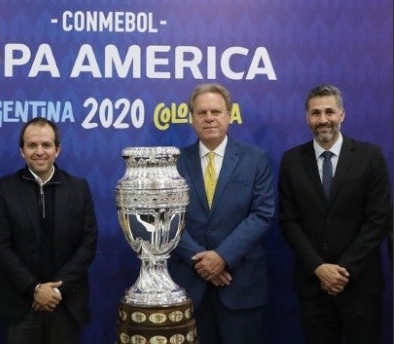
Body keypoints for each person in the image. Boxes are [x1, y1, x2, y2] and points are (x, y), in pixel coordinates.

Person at [278, 84, 391, 343]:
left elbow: (378, 219)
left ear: (342, 114)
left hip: (361, 284)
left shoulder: (370, 156)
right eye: (315, 113)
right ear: (307, 118)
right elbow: (289, 221)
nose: (323, 119)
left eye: (330, 111)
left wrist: (343, 270)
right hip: (313, 286)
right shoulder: (292, 160)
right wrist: (319, 268)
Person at [168, 83, 275, 344]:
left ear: (229, 115)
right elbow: (168, 218)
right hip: (191, 284)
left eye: (216, 111)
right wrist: (201, 262)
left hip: (241, 285)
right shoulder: (174, 162)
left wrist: (222, 257)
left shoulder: (255, 158)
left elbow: (262, 213)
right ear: (191, 118)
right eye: (201, 112)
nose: (209, 118)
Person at [0, 117, 98, 344]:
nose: (39, 152)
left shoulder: (78, 188)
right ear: (22, 151)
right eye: (32, 145)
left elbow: (88, 243)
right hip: (22, 304)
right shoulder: (6, 188)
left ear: (58, 149)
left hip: (65, 303)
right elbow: (1, 246)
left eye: (46, 145)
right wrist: (34, 289)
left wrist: (57, 290)